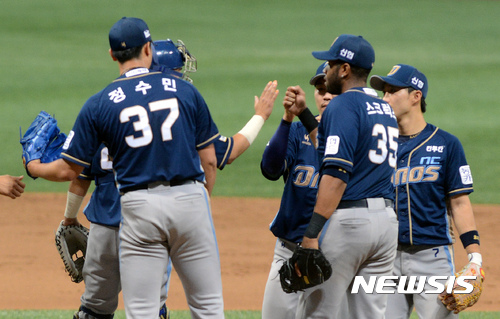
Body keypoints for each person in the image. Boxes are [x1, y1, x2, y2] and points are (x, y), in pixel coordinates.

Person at [63, 37, 277, 319]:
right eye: (179, 70)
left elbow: (78, 174)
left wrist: (67, 216)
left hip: (104, 223)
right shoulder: (179, 122)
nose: (182, 75)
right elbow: (225, 152)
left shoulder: (110, 112)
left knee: (94, 310)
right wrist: (260, 116)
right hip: (149, 223)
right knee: (158, 308)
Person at [26, 17, 224, 318]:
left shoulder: (101, 104)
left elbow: (69, 171)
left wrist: (34, 167)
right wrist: (202, 199)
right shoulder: (183, 90)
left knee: (140, 309)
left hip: (137, 207)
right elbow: (209, 159)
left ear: (111, 55)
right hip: (191, 202)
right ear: (148, 49)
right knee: (208, 306)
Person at [287, 34, 399, 319]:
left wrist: (311, 234)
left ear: (345, 69)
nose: (325, 70)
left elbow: (336, 174)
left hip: (350, 224)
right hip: (386, 226)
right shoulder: (384, 108)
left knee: (317, 313)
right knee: (369, 314)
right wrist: (305, 115)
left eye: (330, 63)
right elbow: (331, 149)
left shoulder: (343, 105)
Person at [369, 64, 483, 318]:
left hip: (433, 258)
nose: (385, 98)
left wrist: (474, 257)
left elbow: (459, 203)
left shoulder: (446, 144)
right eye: (384, 92)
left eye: (392, 91)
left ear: (415, 96)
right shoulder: (377, 147)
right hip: (387, 258)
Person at [260, 62, 333, 319]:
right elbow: (270, 169)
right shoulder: (298, 130)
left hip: (332, 255)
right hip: (288, 249)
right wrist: (287, 119)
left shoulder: (352, 134)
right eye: (320, 89)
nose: (325, 95)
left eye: (330, 89)